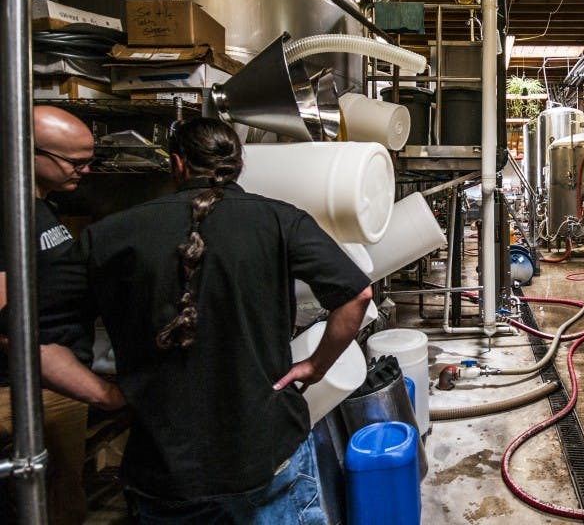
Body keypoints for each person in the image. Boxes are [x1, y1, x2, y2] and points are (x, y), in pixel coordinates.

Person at [57, 116, 371, 523]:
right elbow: (357, 295)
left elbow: (34, 335)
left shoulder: (111, 234)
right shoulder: (280, 221)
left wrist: (105, 395)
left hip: (164, 461)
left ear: (177, 164)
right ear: (239, 164)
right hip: (263, 448)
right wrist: (315, 365)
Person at [0, 105, 127, 525]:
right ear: (29, 151)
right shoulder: (8, 211)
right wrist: (102, 394)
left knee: (62, 502)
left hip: (52, 389)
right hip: (23, 393)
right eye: (76, 162)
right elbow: (9, 330)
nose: (86, 171)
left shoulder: (39, 205)